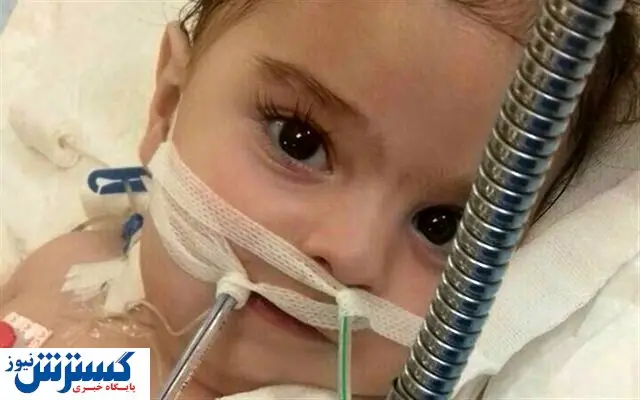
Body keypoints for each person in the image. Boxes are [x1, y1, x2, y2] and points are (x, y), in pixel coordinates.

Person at [1, 0, 638, 398]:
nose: (351, 253)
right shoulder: (79, 262)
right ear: (168, 106)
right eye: (298, 141)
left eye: (443, 225)